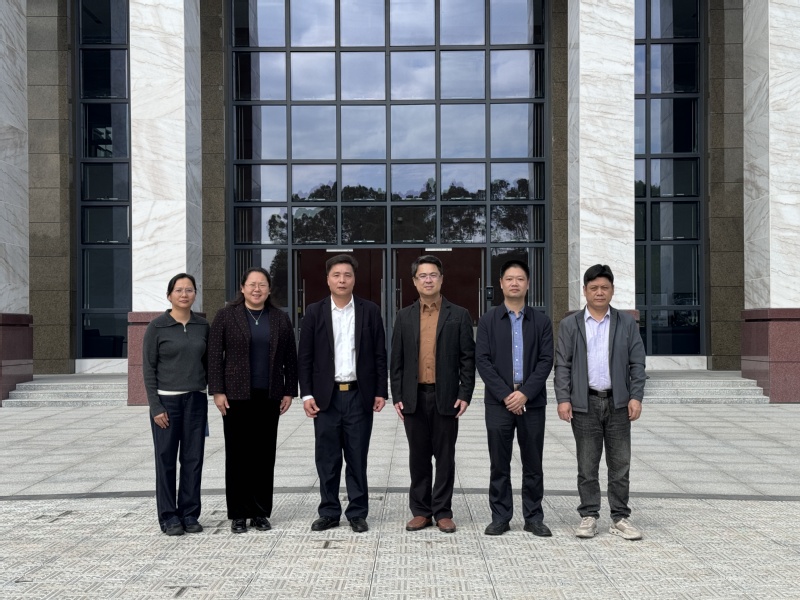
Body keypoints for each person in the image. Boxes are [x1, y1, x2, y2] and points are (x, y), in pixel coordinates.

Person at [554, 264, 646, 540]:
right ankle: (589, 515)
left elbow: (637, 363)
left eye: (604, 287)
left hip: (618, 404)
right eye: (593, 288)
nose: (599, 292)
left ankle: (620, 517)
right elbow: (562, 365)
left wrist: (636, 396)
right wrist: (563, 399)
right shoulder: (570, 324)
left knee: (620, 465)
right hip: (585, 403)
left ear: (612, 291)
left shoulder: (625, 323)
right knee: (587, 465)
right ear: (584, 291)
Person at [298, 254, 387, 533]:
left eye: (347, 275)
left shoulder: (369, 310)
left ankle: (357, 512)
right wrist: (306, 394)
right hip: (326, 398)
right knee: (327, 458)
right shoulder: (314, 311)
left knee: (357, 456)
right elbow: (305, 357)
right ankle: (329, 511)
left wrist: (381, 391)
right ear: (328, 279)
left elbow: (379, 353)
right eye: (336, 275)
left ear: (354, 279)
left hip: (359, 395)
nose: (342, 280)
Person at [207, 267, 298, 534]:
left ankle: (259, 512)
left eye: (262, 285)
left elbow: (290, 357)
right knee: (238, 455)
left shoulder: (280, 318)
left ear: (269, 289)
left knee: (264, 455)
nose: (257, 289)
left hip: (269, 395)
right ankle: (238, 513)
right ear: (242, 288)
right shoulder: (226, 315)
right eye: (252, 284)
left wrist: (289, 390)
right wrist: (217, 391)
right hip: (235, 396)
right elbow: (214, 355)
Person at [390, 255, 475, 534]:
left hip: (446, 397)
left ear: (441, 279)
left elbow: (467, 359)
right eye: (422, 276)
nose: (428, 280)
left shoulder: (459, 314)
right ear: (414, 281)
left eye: (433, 275)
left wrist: (465, 393)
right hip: (413, 397)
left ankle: (443, 511)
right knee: (418, 457)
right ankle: (421, 511)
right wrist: (397, 394)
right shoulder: (404, 316)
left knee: (445, 457)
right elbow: (397, 361)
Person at [476, 260, 554, 537]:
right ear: (501, 284)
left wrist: (524, 394)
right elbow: (483, 361)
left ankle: (533, 517)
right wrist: (507, 395)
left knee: (533, 462)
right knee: (499, 463)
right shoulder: (488, 321)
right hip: (499, 402)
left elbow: (546, 361)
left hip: (532, 401)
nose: (514, 283)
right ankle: (500, 516)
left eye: (520, 279)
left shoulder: (542, 321)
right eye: (509, 279)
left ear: (528, 284)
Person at [143, 273, 210, 536]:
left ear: (195, 294)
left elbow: (208, 363)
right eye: (179, 290)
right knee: (166, 460)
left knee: (193, 459)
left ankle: (190, 513)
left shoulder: (202, 326)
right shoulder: (157, 327)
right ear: (169, 295)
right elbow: (148, 369)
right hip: (167, 403)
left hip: (196, 400)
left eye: (189, 290)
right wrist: (155, 406)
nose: (184, 294)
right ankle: (169, 516)